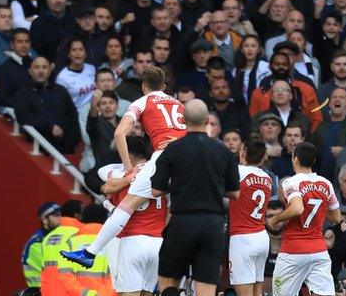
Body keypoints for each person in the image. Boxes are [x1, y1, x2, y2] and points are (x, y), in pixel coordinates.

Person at [61, 66, 187, 268]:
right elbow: (203, 127)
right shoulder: (180, 104)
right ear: (164, 86)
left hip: (164, 158)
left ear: (144, 87)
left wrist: (129, 169)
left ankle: (90, 252)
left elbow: (119, 134)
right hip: (188, 158)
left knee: (127, 205)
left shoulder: (142, 102)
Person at [145, 99, 240, 295]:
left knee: (167, 277)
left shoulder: (173, 149)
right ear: (207, 121)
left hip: (183, 221)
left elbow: (156, 190)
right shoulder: (223, 150)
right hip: (213, 224)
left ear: (182, 119)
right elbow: (235, 193)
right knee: (206, 285)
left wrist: (180, 184)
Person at [267, 141, 342, 296]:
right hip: (319, 250)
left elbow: (297, 208)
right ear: (313, 161)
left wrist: (276, 219)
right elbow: (337, 217)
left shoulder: (291, 182)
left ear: (295, 159)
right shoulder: (326, 183)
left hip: (293, 251)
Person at [97, 136, 168, 295]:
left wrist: (128, 177)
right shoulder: (163, 175)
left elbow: (105, 185)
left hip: (133, 241)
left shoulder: (121, 176)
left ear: (128, 157)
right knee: (147, 293)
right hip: (158, 241)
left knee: (128, 293)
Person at [228, 138, 272, 296]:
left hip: (242, 239)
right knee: (257, 291)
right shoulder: (267, 178)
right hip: (261, 236)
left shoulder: (237, 172)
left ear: (244, 152)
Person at [14, 57, 81, 154]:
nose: (41, 71)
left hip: (64, 149)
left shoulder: (61, 91)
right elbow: (23, 116)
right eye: (37, 67)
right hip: (37, 149)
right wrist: (50, 127)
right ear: (30, 71)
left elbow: (73, 116)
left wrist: (71, 141)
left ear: (50, 70)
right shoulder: (23, 93)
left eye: (44, 67)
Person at [40, 202, 82, 295]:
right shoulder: (77, 234)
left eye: (59, 215)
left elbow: (44, 274)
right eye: (55, 215)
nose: (59, 218)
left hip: (52, 291)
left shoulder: (46, 238)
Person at [21, 202, 61, 289]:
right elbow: (53, 270)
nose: (60, 218)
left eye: (61, 215)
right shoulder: (36, 244)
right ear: (44, 220)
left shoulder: (55, 238)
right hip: (39, 290)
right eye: (56, 215)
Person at [0, 28, 36, 108]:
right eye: (19, 42)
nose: (24, 45)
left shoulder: (36, 65)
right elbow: (1, 97)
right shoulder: (4, 69)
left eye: (27, 41)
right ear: (12, 45)